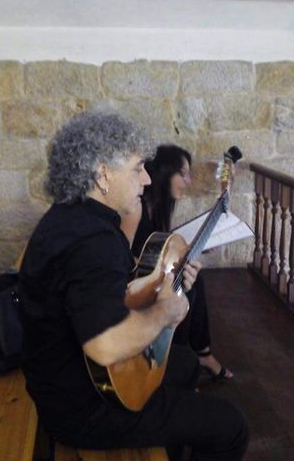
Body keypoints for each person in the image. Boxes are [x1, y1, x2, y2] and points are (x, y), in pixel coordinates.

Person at [18, 111, 248, 460]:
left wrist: (163, 282)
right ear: (103, 175)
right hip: (82, 406)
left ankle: (169, 442)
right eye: (138, 168)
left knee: (185, 363)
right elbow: (107, 346)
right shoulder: (93, 242)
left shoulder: (71, 216)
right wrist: (165, 310)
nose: (145, 179)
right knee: (231, 426)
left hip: (62, 378)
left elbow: (102, 294)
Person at [121, 145, 233, 381]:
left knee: (194, 282)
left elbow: (156, 247)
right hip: (132, 286)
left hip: (147, 277)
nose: (188, 180)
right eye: (183, 173)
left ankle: (201, 354)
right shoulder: (137, 207)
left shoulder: (158, 207)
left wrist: (189, 250)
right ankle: (173, 360)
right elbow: (124, 256)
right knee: (183, 291)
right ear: (164, 172)